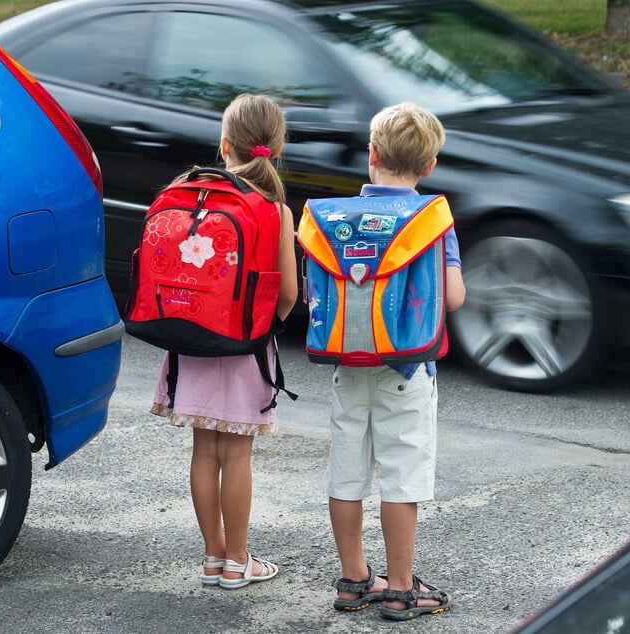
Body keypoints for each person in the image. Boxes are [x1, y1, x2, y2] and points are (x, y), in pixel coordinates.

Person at [149, 93, 297, 589]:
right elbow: (288, 294)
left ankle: (213, 558)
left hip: (188, 339)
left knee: (202, 452)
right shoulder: (275, 209)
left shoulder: (185, 190)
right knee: (236, 455)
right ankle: (239, 561)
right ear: (274, 149)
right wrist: (266, 325)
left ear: (224, 143)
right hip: (244, 347)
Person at [324, 102, 466, 620]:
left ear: (372, 155)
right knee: (400, 477)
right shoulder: (431, 220)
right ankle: (402, 588)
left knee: (346, 473)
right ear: (428, 168)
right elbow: (452, 298)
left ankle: (353, 579)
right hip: (407, 369)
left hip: (347, 359)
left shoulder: (335, 218)